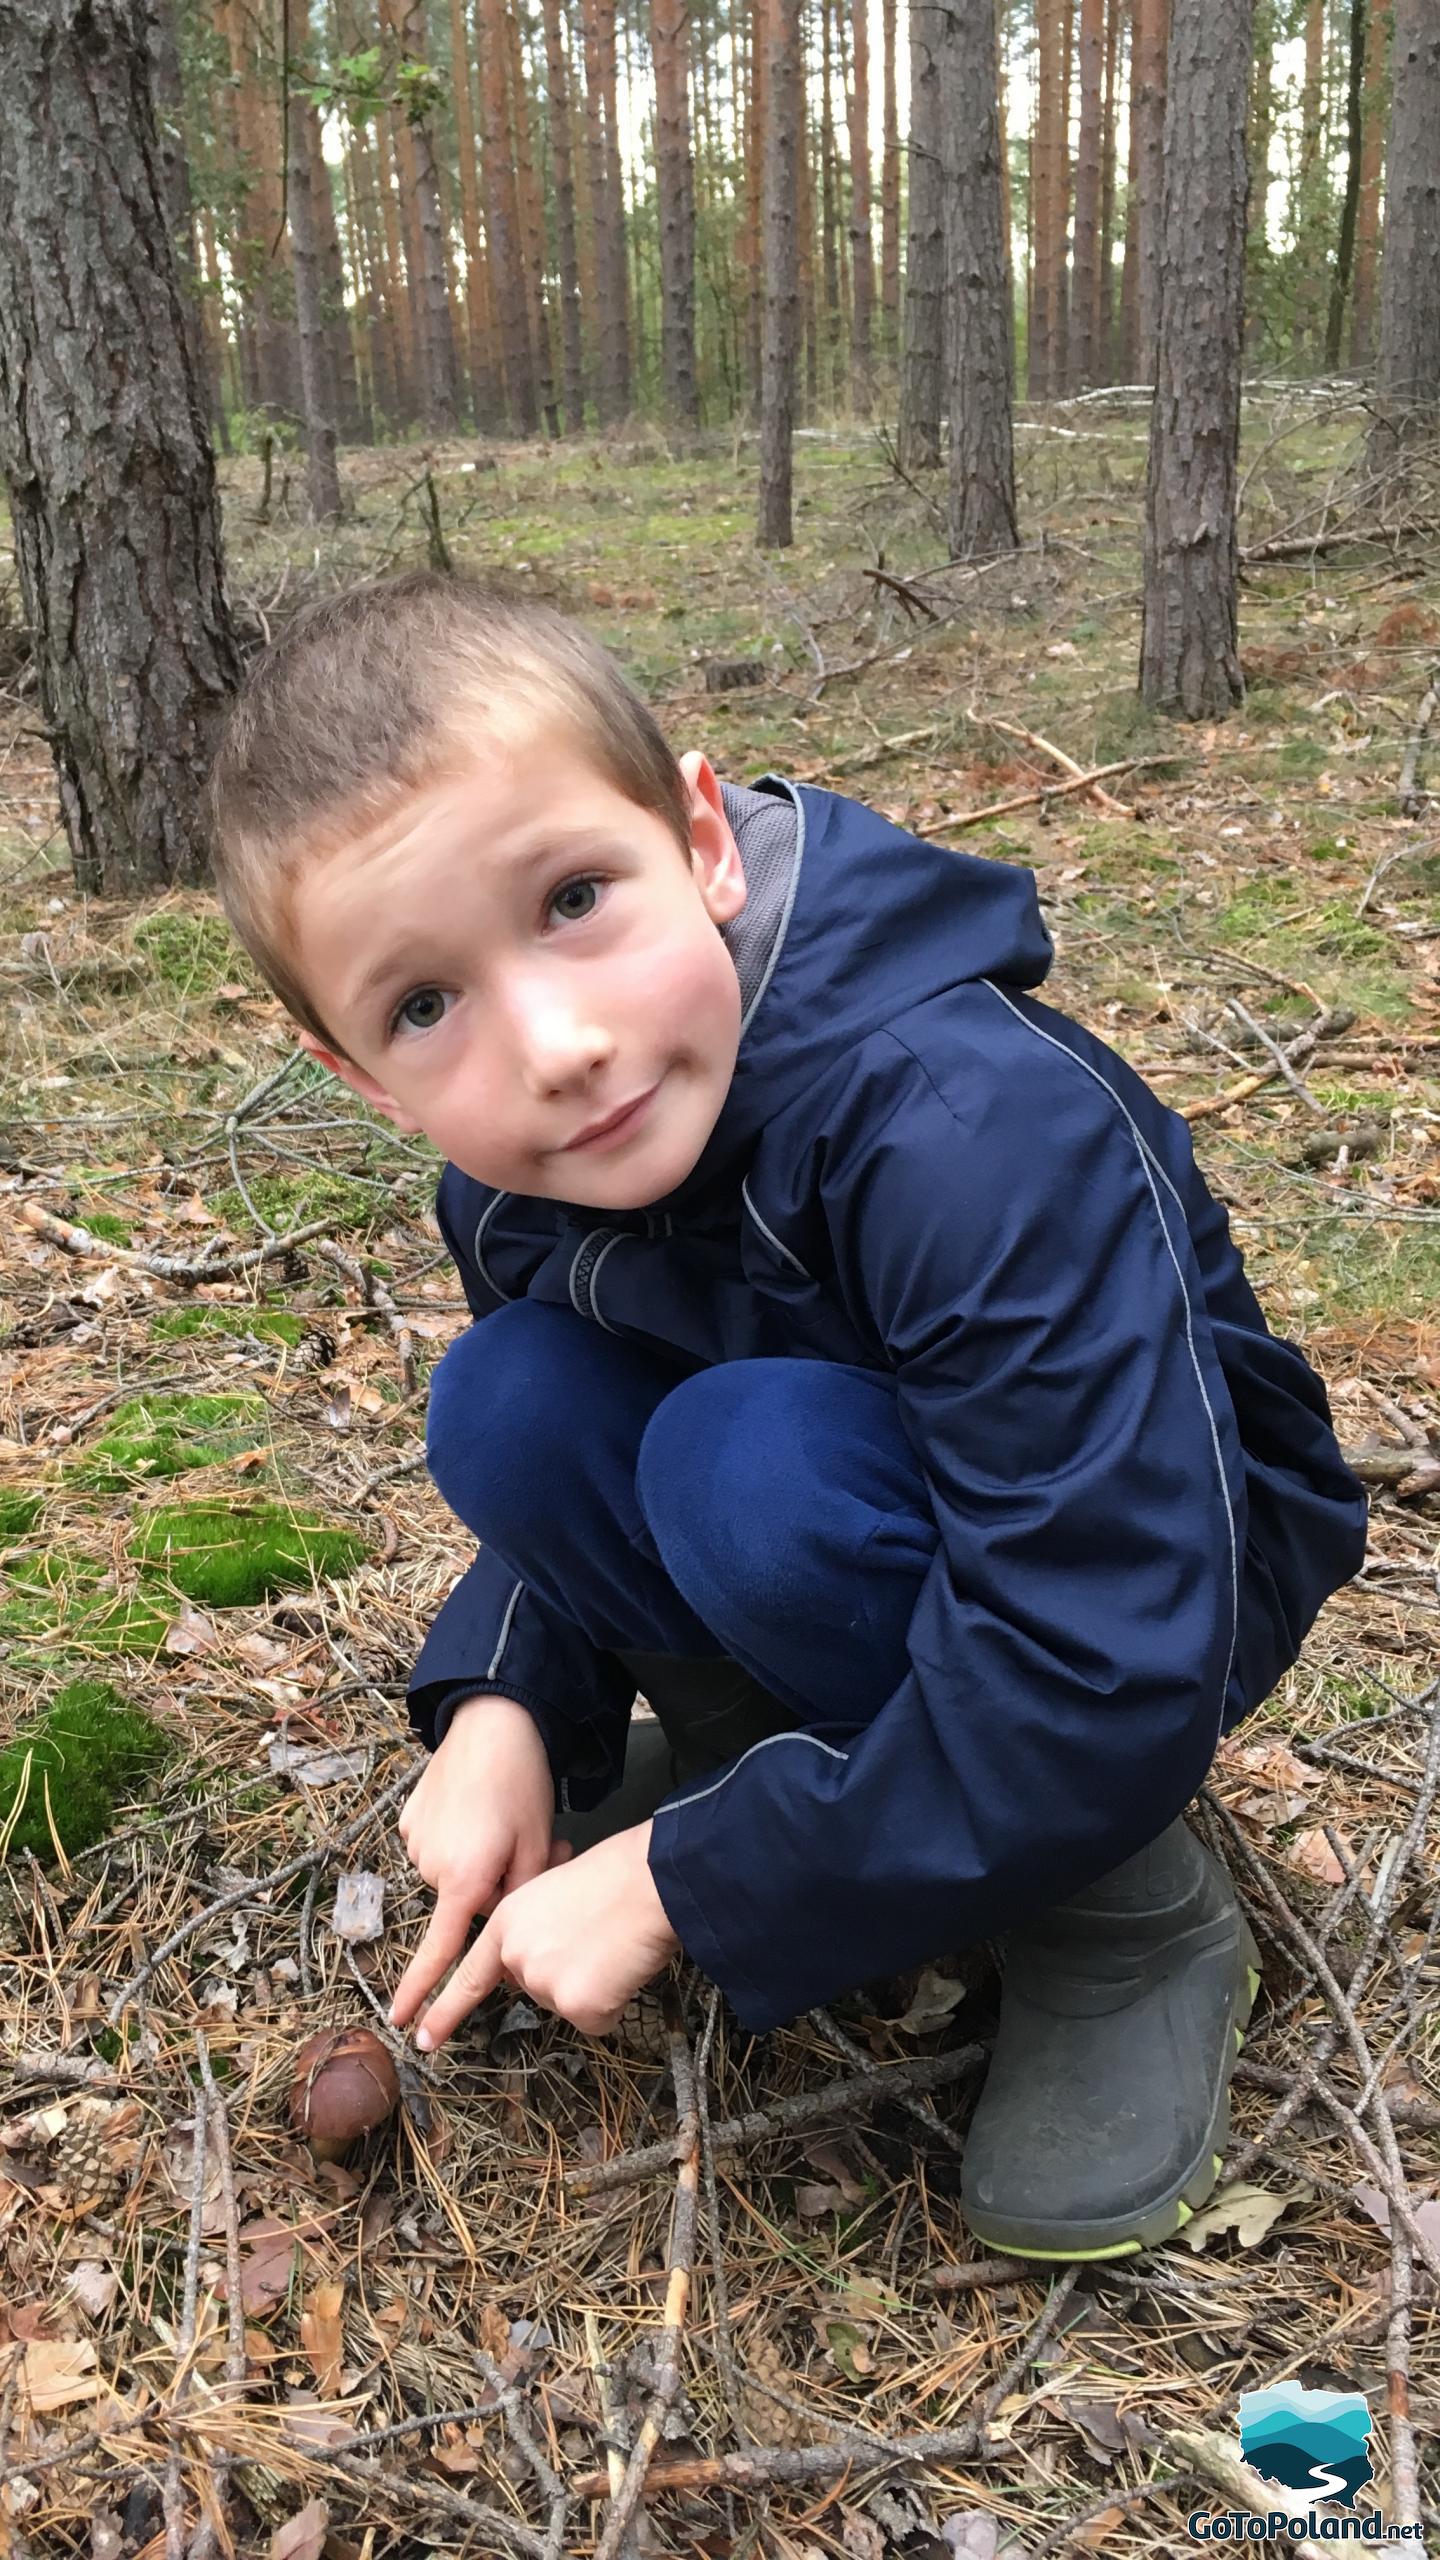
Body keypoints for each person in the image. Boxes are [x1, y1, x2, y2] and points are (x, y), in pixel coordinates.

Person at [204, 572, 1367, 2261]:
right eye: (425, 1005)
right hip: (896, 1545)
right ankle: (814, 1770)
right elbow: (580, 1444)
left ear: (705, 843)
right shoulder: (528, 1180)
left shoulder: (968, 1130)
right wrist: (506, 1703)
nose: (559, 1044)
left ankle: (1117, 1906)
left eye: (578, 898)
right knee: (515, 1398)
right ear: (359, 1076)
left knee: (747, 1471)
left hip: (1149, 1600)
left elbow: (1103, 1639)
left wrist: (693, 1879)